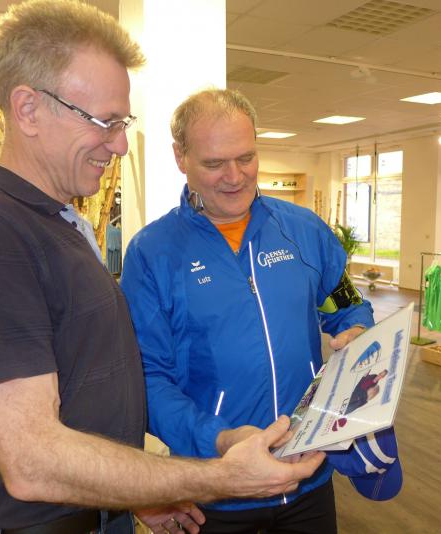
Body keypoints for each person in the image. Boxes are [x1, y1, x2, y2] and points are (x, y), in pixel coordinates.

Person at [0, 3, 325, 533]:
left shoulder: (59, 225)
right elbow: (32, 460)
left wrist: (137, 495)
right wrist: (217, 476)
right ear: (28, 109)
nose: (121, 144)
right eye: (105, 122)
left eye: (122, 123)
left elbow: (87, 394)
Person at [120, 88, 376, 534]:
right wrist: (218, 439)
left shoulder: (303, 231)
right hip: (215, 491)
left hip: (308, 478)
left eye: (246, 157)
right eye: (215, 163)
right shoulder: (152, 253)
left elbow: (345, 305)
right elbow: (149, 380)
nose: (235, 177)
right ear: (181, 157)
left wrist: (355, 330)